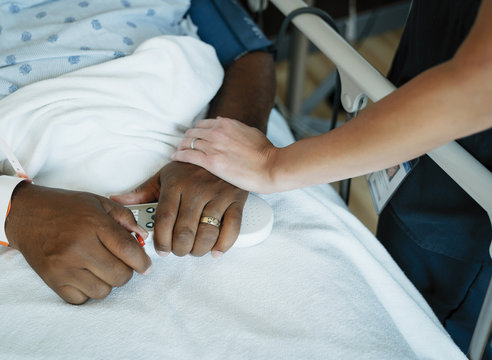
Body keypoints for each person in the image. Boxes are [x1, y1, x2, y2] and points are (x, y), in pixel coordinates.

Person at [173, 0, 492, 355]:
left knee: (425, 332)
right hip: (423, 152)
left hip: (466, 204)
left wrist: (273, 165)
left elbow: (480, 86)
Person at [0, 0, 275, 305]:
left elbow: (248, 54)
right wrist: (14, 211)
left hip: (179, 115)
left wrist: (222, 156)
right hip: (8, 152)